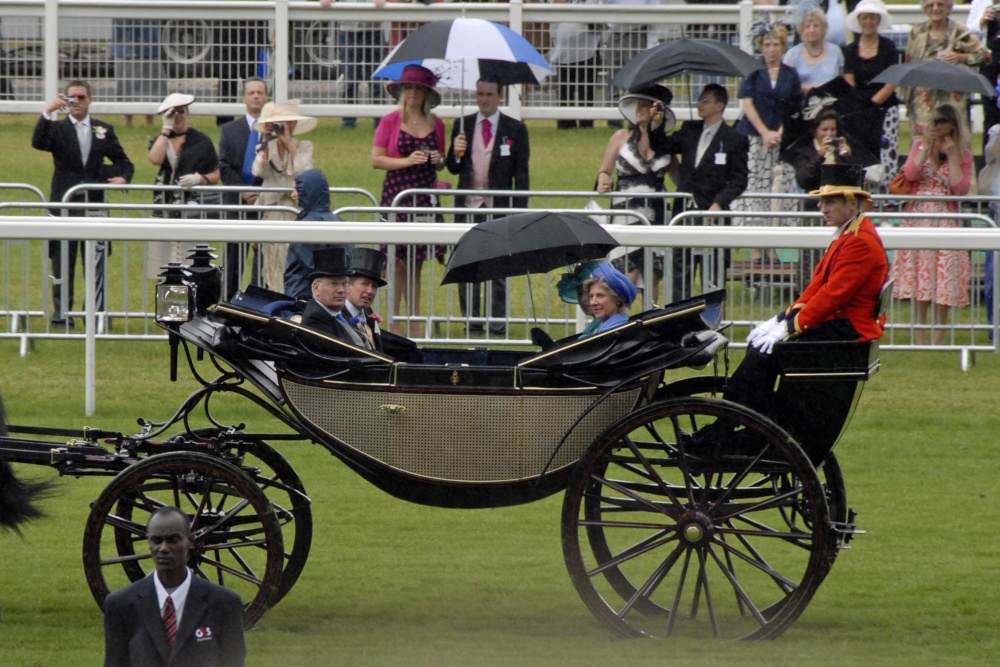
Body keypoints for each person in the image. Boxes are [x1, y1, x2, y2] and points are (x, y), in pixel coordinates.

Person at [726, 163, 888, 420]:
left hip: (847, 330)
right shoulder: (849, 234)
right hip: (841, 325)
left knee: (764, 355)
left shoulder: (859, 242)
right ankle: (750, 418)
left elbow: (831, 296)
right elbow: (817, 288)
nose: (822, 209)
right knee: (759, 350)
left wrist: (790, 329)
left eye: (830, 202)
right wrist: (782, 318)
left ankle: (741, 420)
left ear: (851, 203)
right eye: (822, 202)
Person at [31, 79, 134, 326]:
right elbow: (38, 142)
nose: (76, 102)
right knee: (63, 261)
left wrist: (120, 177)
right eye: (72, 97)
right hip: (64, 202)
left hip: (94, 204)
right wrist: (47, 112)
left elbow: (124, 162)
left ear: (90, 100)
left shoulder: (104, 129)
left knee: (95, 262)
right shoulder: (57, 129)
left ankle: (96, 313)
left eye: (81, 97)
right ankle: (62, 314)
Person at [102, 506, 246, 667]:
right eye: (157, 541)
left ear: (190, 542)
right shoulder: (120, 605)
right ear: (149, 543)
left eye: (173, 540)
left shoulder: (224, 605)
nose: (163, 548)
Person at [445, 76, 531, 336]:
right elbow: (453, 168)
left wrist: (519, 214)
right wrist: (455, 150)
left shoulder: (515, 129)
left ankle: (497, 323)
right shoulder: (463, 124)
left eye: (489, 94)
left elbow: (522, 177)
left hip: (499, 207)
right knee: (467, 264)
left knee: (498, 266)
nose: (483, 99)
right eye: (479, 94)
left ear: (500, 96)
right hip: (468, 206)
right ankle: (471, 321)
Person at [655, 83, 749, 303]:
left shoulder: (734, 139)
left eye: (705, 100)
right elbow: (662, 146)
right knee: (680, 271)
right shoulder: (689, 129)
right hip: (686, 213)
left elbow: (739, 179)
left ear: (720, 105)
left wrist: (719, 203)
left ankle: (713, 326)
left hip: (713, 216)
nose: (699, 104)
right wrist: (658, 124)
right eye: (698, 99)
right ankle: (678, 322)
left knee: (713, 274)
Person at [371, 64, 447, 337]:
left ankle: (414, 319)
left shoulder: (437, 123)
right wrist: (406, 161)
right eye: (409, 88)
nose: (413, 93)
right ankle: (394, 320)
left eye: (418, 88)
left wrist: (439, 160)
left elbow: (441, 162)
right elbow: (376, 159)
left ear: (427, 94)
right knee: (397, 260)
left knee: (417, 261)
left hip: (424, 195)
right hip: (397, 193)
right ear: (402, 91)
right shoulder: (390, 121)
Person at [891, 102, 973, 345]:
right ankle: (919, 339)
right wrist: (925, 147)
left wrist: (954, 158)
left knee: (942, 282)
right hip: (917, 217)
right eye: (933, 121)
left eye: (940, 122)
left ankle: (938, 340)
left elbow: (960, 188)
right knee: (920, 280)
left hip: (946, 219)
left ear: (952, 126)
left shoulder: (963, 153)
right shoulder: (919, 145)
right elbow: (910, 174)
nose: (935, 126)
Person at [595, 84, 675, 293]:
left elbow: (681, 179)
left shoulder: (665, 144)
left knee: (652, 277)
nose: (638, 109)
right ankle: (621, 323)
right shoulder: (621, 137)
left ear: (656, 110)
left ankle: (652, 323)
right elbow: (604, 171)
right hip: (626, 213)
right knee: (626, 278)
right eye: (636, 105)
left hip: (656, 214)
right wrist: (604, 180)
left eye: (644, 105)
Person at [735, 21, 802, 266]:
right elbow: (747, 103)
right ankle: (756, 248)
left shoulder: (790, 74)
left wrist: (781, 132)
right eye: (766, 44)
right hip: (755, 138)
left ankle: (773, 246)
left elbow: (795, 105)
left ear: (783, 46)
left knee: (779, 189)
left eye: (775, 44)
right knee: (756, 188)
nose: (771, 49)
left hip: (783, 140)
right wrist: (764, 132)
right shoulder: (753, 72)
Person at [147, 93, 221, 271]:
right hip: (163, 208)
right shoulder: (161, 139)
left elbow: (216, 173)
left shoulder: (201, 140)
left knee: (191, 264)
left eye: (182, 112)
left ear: (188, 113)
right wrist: (166, 128)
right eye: (173, 113)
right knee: (163, 267)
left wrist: (199, 179)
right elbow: (155, 159)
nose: (178, 117)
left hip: (191, 209)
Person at [252, 100, 317, 293]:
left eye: (289, 122)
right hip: (272, 210)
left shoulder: (304, 146)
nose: (284, 127)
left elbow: (304, 170)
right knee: (272, 261)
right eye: (281, 122)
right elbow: (258, 171)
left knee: (293, 258)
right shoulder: (267, 146)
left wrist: (290, 145)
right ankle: (275, 295)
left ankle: (293, 296)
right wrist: (265, 141)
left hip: (295, 210)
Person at [904, 0, 989, 135]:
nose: (935, 8)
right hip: (924, 95)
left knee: (952, 138)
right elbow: (908, 62)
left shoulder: (959, 30)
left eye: (940, 5)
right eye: (931, 5)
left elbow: (984, 55)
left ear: (948, 8)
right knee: (924, 140)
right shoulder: (917, 31)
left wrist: (961, 57)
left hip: (952, 94)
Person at [218, 77, 268, 298]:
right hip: (236, 204)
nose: (256, 96)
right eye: (251, 93)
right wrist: (243, 191)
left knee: (263, 261)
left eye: (260, 92)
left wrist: (261, 193)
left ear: (266, 97)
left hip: (266, 204)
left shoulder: (273, 129)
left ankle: (259, 306)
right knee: (233, 261)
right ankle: (228, 305)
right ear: (243, 98)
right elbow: (224, 166)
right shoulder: (230, 130)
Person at [843, 0, 900, 192]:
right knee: (856, 155)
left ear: (878, 20)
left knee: (884, 157)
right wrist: (860, 106)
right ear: (859, 20)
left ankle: (885, 205)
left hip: (884, 108)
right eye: (865, 17)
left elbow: (892, 82)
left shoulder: (889, 47)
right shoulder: (850, 49)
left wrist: (872, 104)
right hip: (856, 110)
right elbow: (848, 79)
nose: (868, 22)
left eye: (872, 18)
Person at [319, 0, 388, 128]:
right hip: (348, 30)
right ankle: (349, 121)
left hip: (374, 29)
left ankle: (380, 122)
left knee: (375, 78)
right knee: (350, 78)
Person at [284, 169, 350, 302]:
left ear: (307, 192)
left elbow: (312, 266)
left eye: (297, 190)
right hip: (337, 298)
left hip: (303, 298)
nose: (293, 195)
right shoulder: (340, 223)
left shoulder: (304, 225)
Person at [301, 247, 375, 349]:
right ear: (316, 288)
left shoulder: (338, 313)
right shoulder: (316, 319)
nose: (341, 290)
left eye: (345, 284)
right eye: (334, 284)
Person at [548, 0, 602, 130]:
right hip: (564, 48)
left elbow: (594, 13)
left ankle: (586, 124)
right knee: (564, 87)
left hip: (587, 46)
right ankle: (565, 123)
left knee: (586, 87)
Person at [782, 106, 858, 193]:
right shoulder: (803, 151)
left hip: (839, 196)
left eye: (833, 129)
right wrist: (819, 155)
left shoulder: (840, 149)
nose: (829, 134)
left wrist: (847, 156)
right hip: (815, 199)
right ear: (814, 131)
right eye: (824, 130)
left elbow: (854, 179)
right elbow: (803, 180)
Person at [111, 18, 166, 127]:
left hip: (148, 45)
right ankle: (127, 120)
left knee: (151, 84)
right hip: (124, 46)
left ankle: (150, 120)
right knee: (125, 85)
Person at [782, 7, 844, 92]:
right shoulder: (792, 54)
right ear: (802, 30)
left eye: (816, 26)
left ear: (823, 29)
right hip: (803, 102)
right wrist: (815, 89)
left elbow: (842, 82)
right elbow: (786, 86)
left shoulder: (836, 51)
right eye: (807, 26)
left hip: (831, 101)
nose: (812, 30)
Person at [966, 0, 1000, 152]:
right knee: (991, 115)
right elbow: (968, 32)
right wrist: (982, 21)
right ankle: (988, 163)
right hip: (990, 64)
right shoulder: (980, 2)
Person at [345, 247, 389, 352]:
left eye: (374, 286)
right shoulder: (337, 316)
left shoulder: (367, 313)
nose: (370, 291)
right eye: (364, 284)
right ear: (348, 286)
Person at [581, 261, 638, 337]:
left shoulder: (615, 333)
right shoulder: (606, 329)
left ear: (618, 300)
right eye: (591, 296)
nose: (593, 303)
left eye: (600, 296)